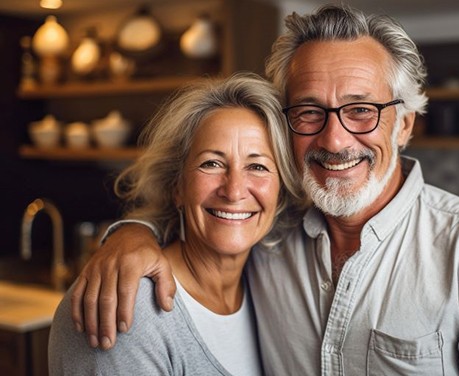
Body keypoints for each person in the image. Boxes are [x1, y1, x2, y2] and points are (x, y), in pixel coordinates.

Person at [71, 5, 459, 375]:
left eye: (361, 109)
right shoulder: (270, 234)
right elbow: (212, 208)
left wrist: (128, 233)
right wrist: (130, 235)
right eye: (309, 111)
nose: (334, 139)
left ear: (405, 124)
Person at [49, 73, 305, 375]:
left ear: (281, 192)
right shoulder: (128, 307)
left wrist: (133, 230)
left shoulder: (270, 283)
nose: (234, 190)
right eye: (212, 163)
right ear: (178, 187)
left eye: (257, 166)